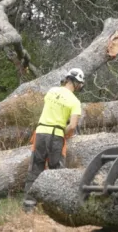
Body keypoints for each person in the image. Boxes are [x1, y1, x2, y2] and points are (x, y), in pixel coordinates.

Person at [22, 68, 84, 212]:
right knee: (57, 171)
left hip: (40, 133)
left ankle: (29, 206)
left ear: (67, 79)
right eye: (80, 84)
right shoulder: (75, 102)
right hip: (56, 135)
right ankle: (58, 207)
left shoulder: (51, 91)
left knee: (35, 169)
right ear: (76, 83)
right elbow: (72, 126)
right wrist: (65, 133)